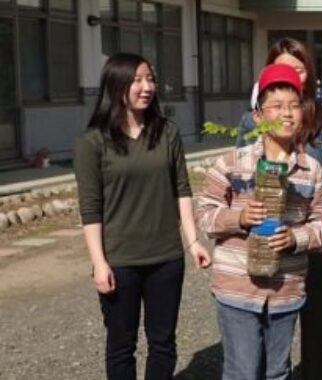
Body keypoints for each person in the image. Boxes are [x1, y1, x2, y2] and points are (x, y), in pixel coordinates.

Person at [74, 53, 212, 380]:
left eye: (150, 79)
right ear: (116, 84)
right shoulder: (92, 142)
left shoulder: (167, 133)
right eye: (136, 80)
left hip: (166, 257)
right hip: (120, 259)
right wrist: (99, 262)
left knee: (163, 342)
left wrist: (192, 242)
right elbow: (90, 208)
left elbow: (181, 189)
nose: (146, 87)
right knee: (121, 345)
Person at [196, 63, 322, 379]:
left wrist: (296, 239)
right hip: (237, 288)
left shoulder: (311, 170)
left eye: (294, 105)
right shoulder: (232, 164)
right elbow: (204, 215)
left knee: (277, 371)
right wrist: (239, 217)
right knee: (243, 371)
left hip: (286, 289)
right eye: (276, 106)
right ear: (257, 115)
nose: (287, 113)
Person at [236, 38, 322, 380]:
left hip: (318, 236)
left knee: (320, 320)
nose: (291, 75)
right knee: (272, 319)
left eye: (298, 69)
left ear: (309, 74)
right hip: (271, 235)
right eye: (283, 68)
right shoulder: (251, 121)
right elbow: (241, 176)